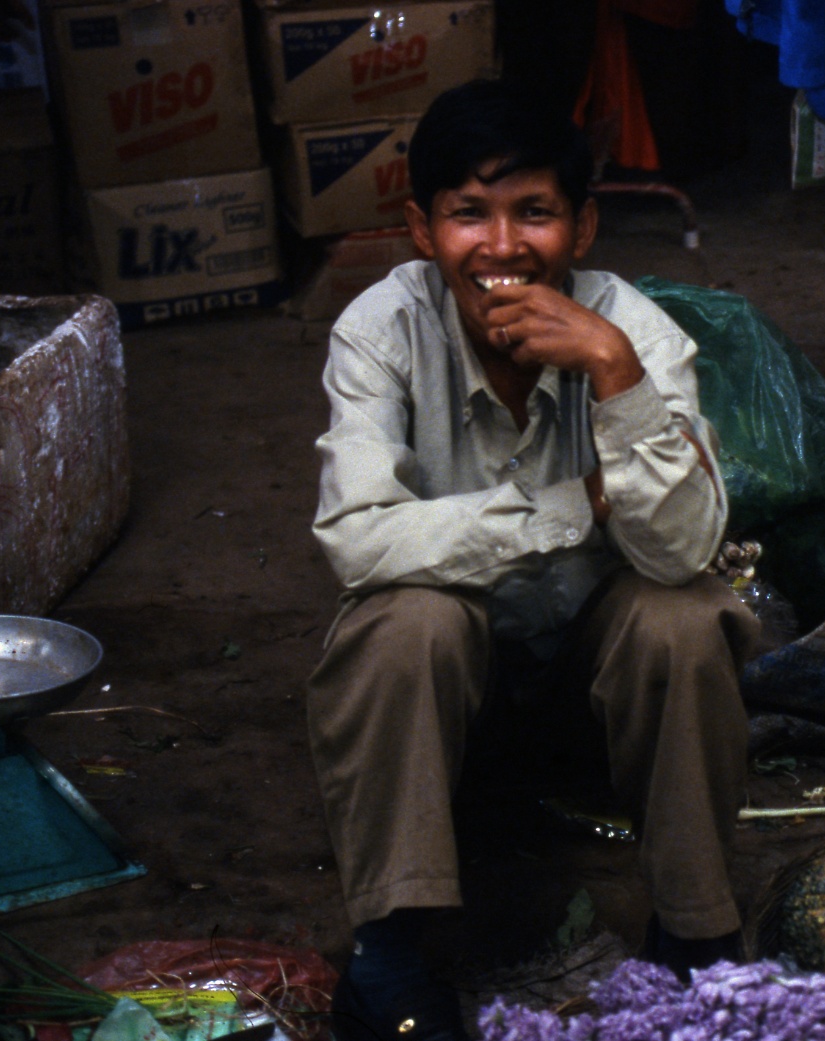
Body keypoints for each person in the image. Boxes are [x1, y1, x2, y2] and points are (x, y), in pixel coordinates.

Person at [306, 78, 759, 1041]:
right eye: (469, 213)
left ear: (583, 228)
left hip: (598, 713)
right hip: (444, 721)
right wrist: (565, 508)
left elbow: (681, 553)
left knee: (685, 615)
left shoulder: (632, 333)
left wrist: (617, 378)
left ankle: (701, 940)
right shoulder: (380, 332)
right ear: (422, 229)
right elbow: (355, 536)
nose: (504, 246)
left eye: (535, 213)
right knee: (406, 618)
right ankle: (389, 958)